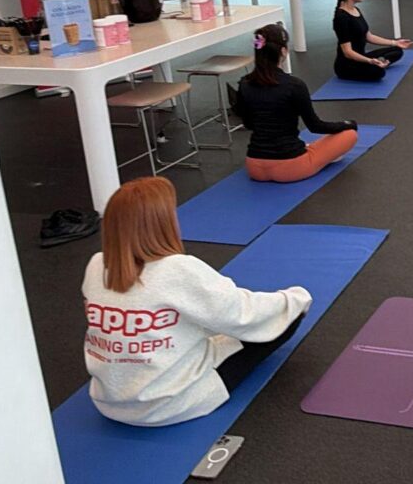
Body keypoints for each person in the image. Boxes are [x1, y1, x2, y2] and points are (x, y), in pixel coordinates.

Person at [81, 177, 312, 426]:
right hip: (170, 405)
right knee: (283, 319)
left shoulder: (97, 265)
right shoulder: (178, 269)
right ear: (163, 223)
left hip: (109, 402)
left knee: (201, 321)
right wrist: (294, 298)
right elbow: (242, 314)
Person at [234, 23, 358, 183]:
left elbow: (249, 124)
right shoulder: (294, 85)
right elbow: (315, 126)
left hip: (254, 166)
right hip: (290, 167)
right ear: (283, 52)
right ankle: (312, 153)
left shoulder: (244, 83)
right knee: (350, 135)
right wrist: (347, 124)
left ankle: (306, 149)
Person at [333, 0, 413, 82]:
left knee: (397, 51)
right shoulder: (341, 18)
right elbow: (348, 52)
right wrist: (370, 61)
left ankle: (380, 62)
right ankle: (378, 64)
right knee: (379, 72)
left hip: (362, 56)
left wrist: (395, 42)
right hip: (347, 65)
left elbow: (369, 36)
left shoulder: (356, 9)